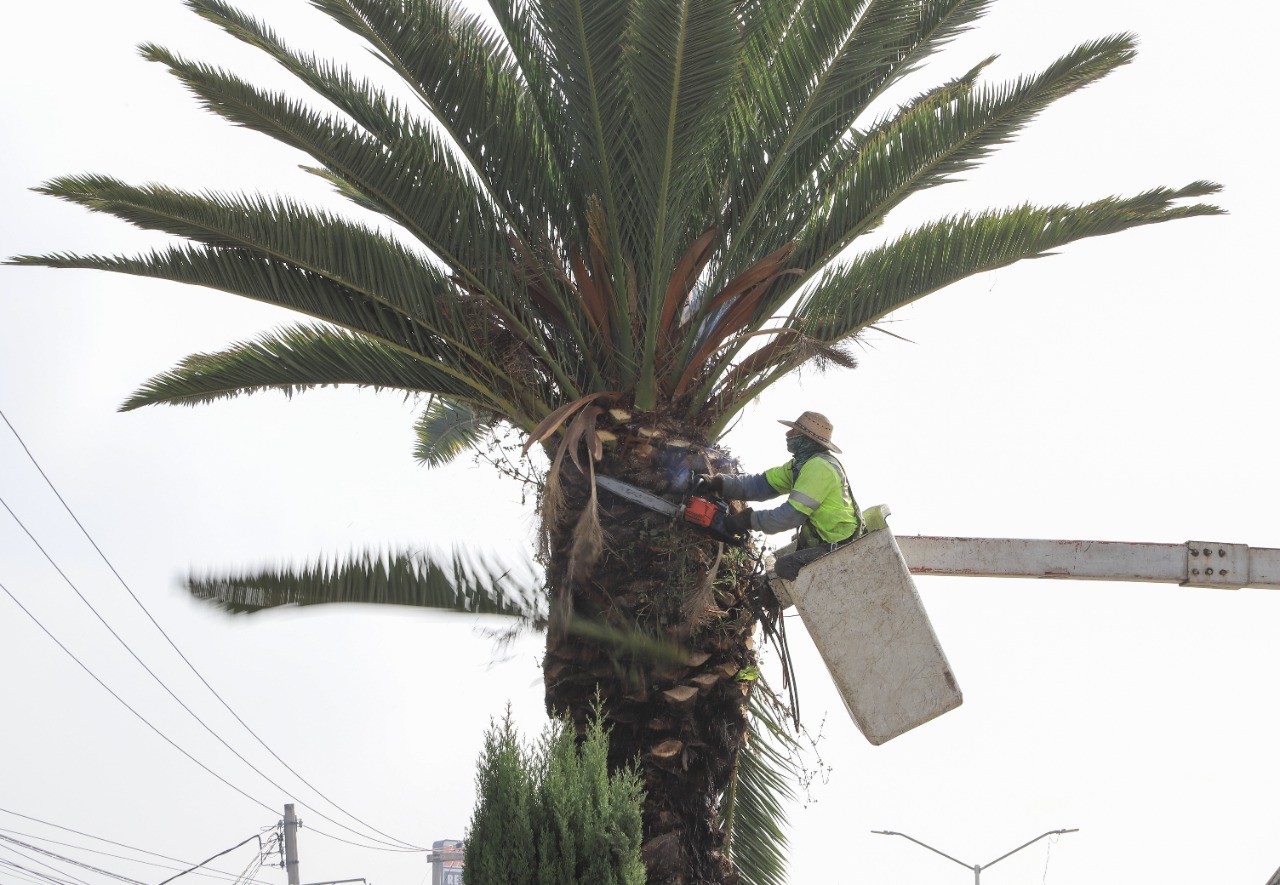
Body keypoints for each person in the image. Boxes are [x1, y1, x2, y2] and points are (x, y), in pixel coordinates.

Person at [696, 411, 863, 580]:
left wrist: (746, 520)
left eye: (795, 432)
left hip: (841, 546)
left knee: (785, 566)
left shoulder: (820, 469)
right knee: (771, 577)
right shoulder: (800, 465)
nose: (788, 434)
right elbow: (760, 485)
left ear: (807, 440)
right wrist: (718, 483)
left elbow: (789, 517)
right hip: (822, 541)